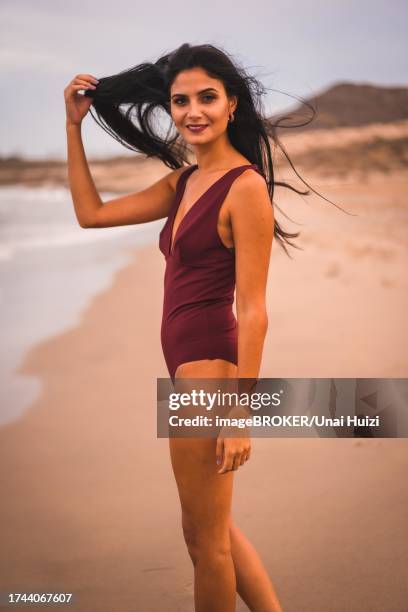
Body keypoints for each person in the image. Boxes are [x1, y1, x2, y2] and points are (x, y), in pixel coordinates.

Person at [64, 42, 335, 612]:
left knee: (206, 544)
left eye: (207, 97)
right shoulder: (183, 183)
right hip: (188, 368)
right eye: (180, 100)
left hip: (210, 373)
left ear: (232, 104)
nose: (193, 111)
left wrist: (241, 416)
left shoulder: (246, 187)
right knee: (212, 532)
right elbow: (91, 214)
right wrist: (74, 129)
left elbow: (255, 308)